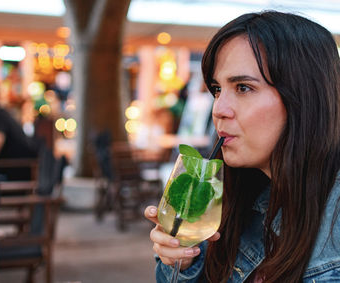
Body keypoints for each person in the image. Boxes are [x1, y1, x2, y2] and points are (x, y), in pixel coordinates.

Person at [145, 11, 340, 282]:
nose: (218, 110)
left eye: (243, 87)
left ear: (305, 97)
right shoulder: (235, 197)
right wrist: (181, 261)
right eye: (217, 89)